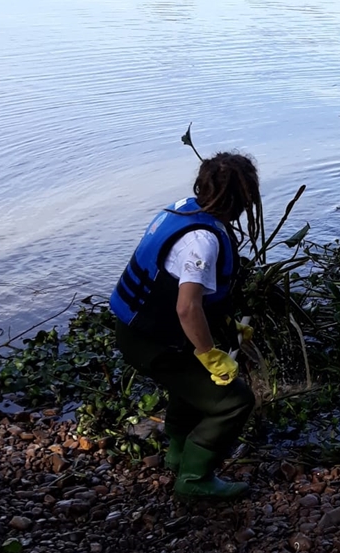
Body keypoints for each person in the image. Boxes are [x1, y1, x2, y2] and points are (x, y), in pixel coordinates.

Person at [110, 151, 262, 501]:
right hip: (151, 341)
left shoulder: (184, 209)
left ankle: (178, 455)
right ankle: (194, 478)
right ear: (241, 198)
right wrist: (210, 354)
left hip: (136, 329)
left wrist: (228, 323)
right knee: (235, 401)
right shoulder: (202, 241)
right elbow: (186, 307)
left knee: (190, 385)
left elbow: (172, 285)